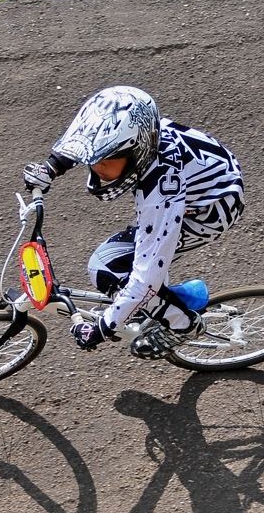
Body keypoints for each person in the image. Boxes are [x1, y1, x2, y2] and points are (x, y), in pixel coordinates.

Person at [22, 85, 244, 359]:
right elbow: (87, 139)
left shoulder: (161, 191)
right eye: (94, 159)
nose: (96, 167)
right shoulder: (138, 135)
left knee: (108, 269)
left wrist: (104, 327)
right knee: (117, 269)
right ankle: (164, 303)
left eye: (106, 160)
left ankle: (183, 325)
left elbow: (146, 275)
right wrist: (52, 166)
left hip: (205, 213)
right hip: (208, 179)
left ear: (137, 152)